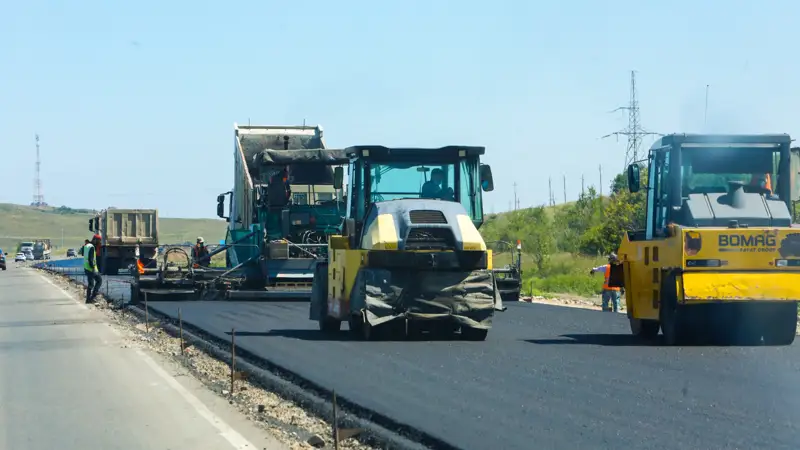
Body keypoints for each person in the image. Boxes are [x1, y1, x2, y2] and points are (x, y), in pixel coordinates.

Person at [82, 237, 102, 304]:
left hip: (86, 268)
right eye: (99, 241)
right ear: (95, 240)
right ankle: (92, 297)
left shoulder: (86, 246)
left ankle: (88, 299)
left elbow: (83, 254)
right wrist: (93, 267)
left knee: (91, 284)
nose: (99, 243)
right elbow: (90, 259)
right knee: (99, 281)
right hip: (91, 269)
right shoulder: (92, 247)